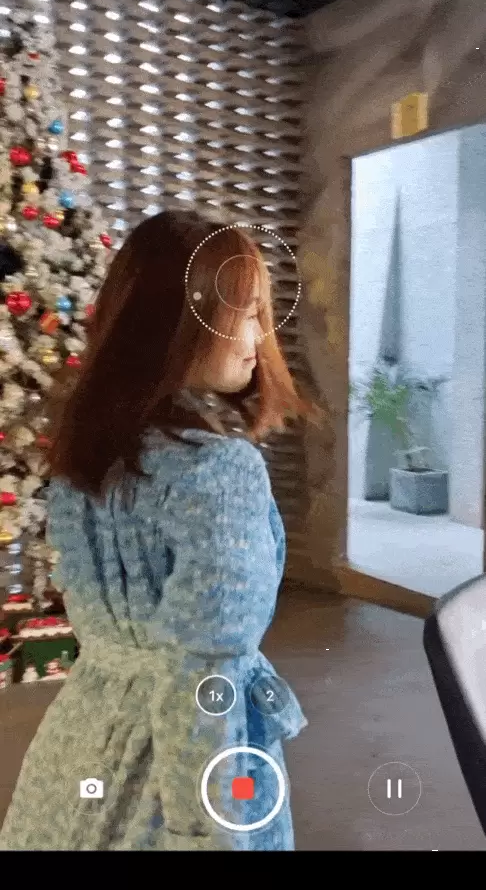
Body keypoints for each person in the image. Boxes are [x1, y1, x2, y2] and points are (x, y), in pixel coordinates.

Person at [0, 209, 317, 851]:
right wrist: (207, 833)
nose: (260, 335)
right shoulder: (219, 473)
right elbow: (202, 678)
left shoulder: (86, 460)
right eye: (245, 313)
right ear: (179, 324)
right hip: (176, 778)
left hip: (78, 746)